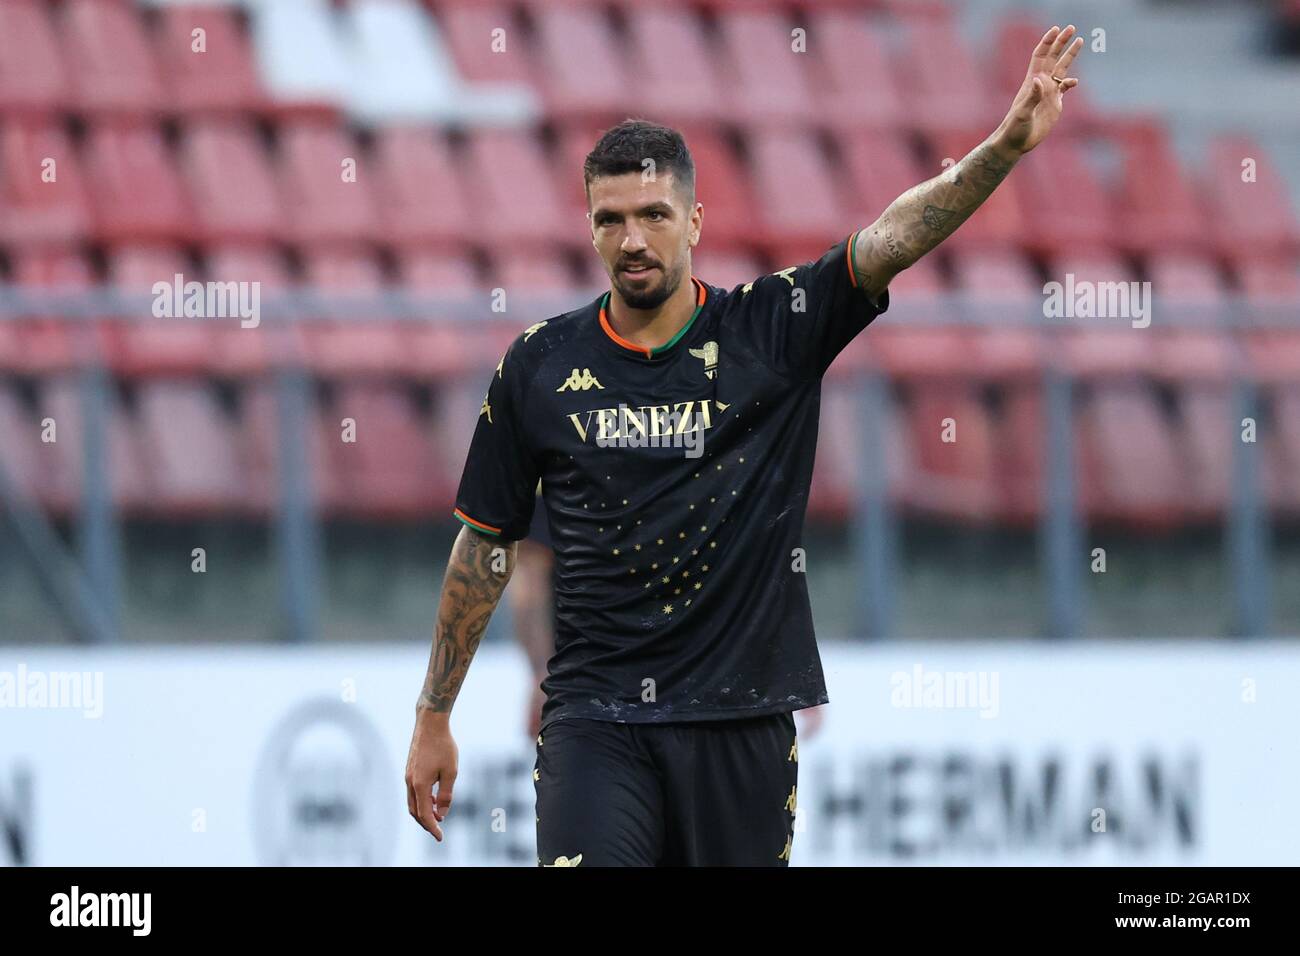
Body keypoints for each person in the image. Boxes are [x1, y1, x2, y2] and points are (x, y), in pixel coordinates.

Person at [406, 24, 1084, 865]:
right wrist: (435, 714)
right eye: (610, 219)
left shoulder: (773, 328)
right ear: (588, 229)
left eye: (654, 215)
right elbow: (486, 544)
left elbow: (895, 236)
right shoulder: (538, 365)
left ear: (695, 217)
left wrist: (1004, 147)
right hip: (594, 721)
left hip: (742, 722)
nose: (633, 240)